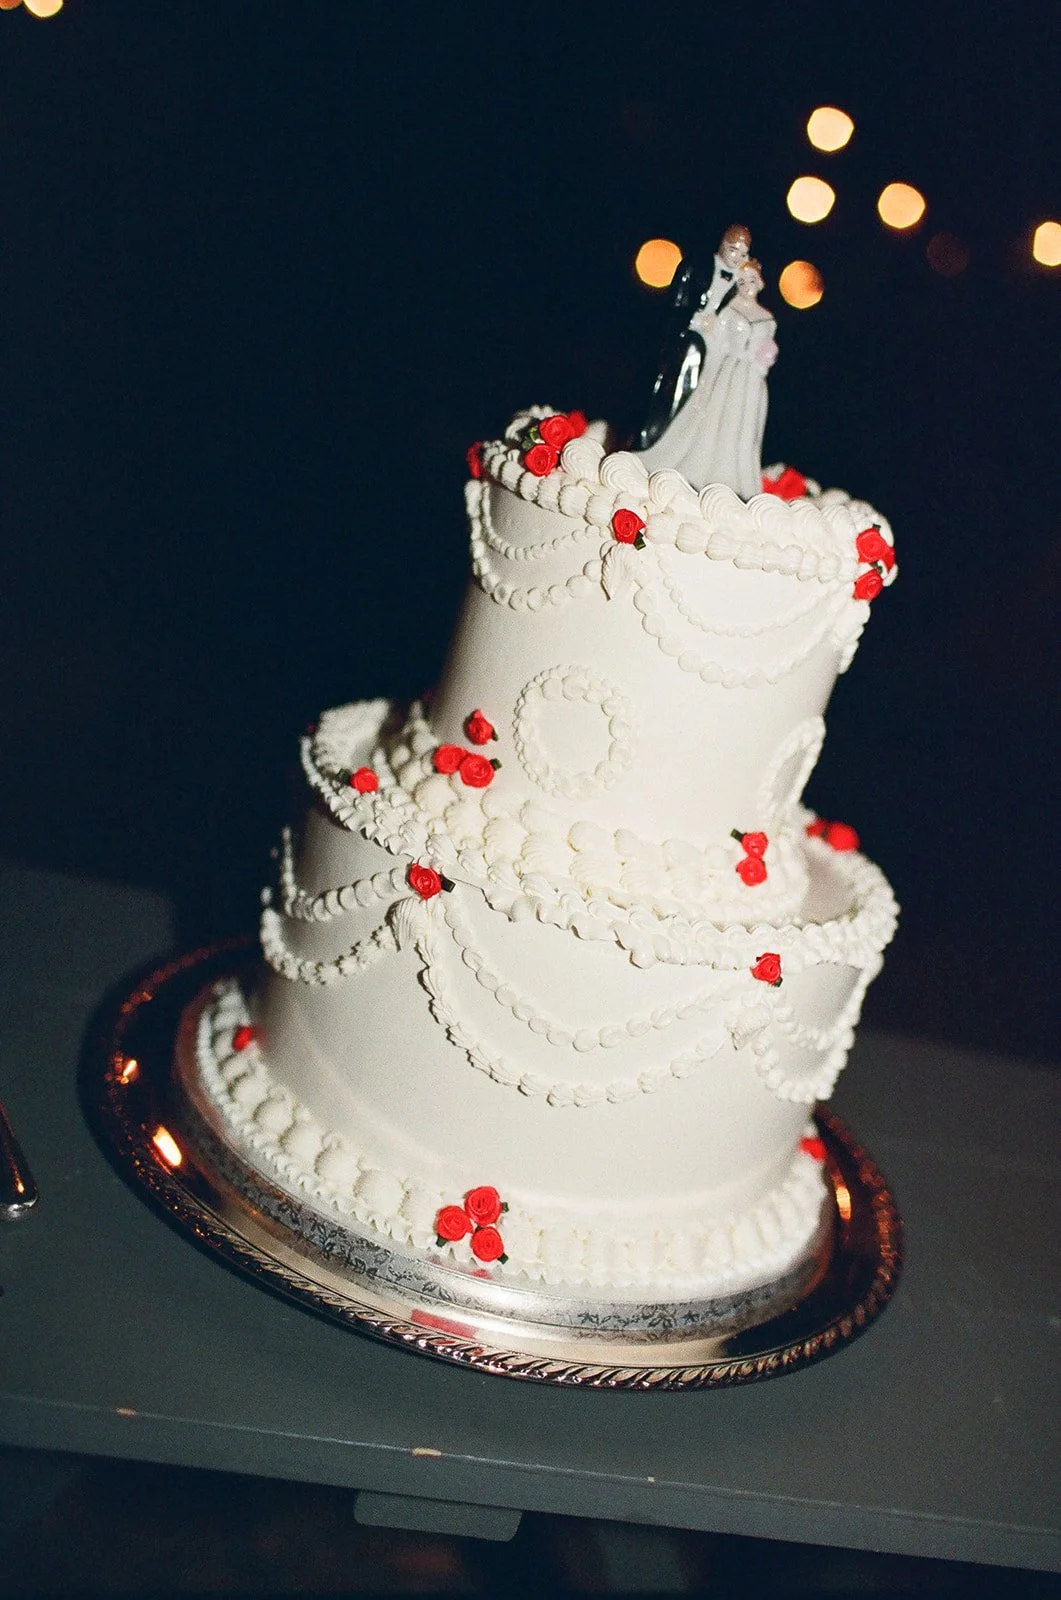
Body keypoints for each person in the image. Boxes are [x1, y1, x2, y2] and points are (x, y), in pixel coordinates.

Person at [637, 255, 777, 498]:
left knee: (743, 432)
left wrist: (766, 358)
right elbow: (713, 337)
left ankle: (738, 484)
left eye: (751, 279)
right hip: (728, 374)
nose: (747, 285)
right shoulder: (729, 311)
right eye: (742, 281)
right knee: (718, 422)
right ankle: (704, 473)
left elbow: (767, 345)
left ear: (760, 281)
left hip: (752, 380)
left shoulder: (768, 316)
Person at [635, 225, 752, 452]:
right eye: (733, 250)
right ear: (721, 244)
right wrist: (696, 320)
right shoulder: (694, 267)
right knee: (683, 374)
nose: (737, 257)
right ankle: (652, 438)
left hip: (720, 344)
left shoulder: (742, 281)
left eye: (743, 253)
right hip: (687, 337)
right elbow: (674, 305)